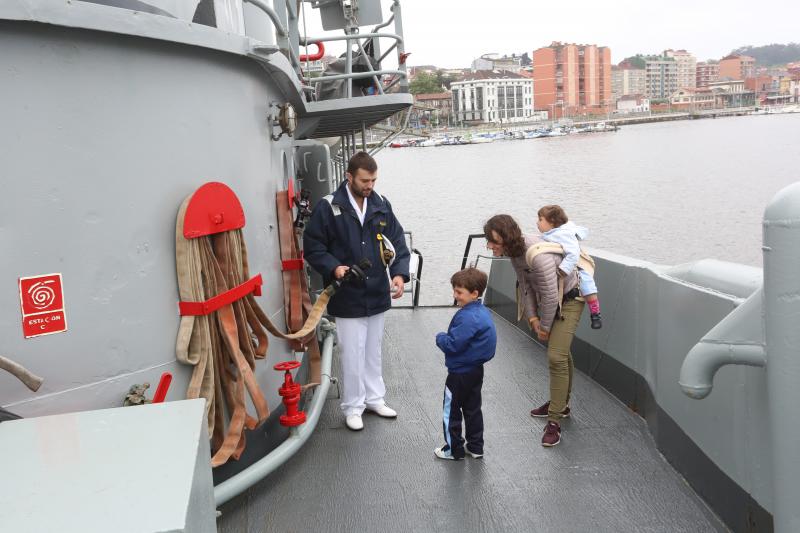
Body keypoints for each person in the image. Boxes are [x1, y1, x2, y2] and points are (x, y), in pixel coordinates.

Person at [304, 151, 410, 431]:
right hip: (347, 292)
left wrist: (399, 273)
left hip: (376, 290)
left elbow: (397, 241)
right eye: (365, 180)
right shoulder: (328, 207)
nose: (370, 185)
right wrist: (334, 268)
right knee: (351, 352)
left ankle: (375, 399)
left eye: (374, 180)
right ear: (349, 176)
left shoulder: (381, 204)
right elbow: (313, 247)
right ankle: (353, 406)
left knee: (373, 350)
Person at [483, 214, 584, 447]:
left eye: (494, 241)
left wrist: (544, 327)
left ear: (507, 239)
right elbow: (525, 284)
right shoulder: (516, 253)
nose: (490, 246)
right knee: (561, 352)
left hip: (570, 300)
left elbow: (549, 295)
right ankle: (562, 404)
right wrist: (532, 316)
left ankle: (554, 421)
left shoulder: (538, 256)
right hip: (552, 300)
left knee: (556, 356)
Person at [434, 268, 497, 460]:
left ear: (474, 293)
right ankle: (476, 447)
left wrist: (440, 338)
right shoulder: (482, 312)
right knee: (472, 409)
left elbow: (453, 345)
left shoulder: (467, 317)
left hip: (459, 373)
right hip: (476, 371)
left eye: (459, 292)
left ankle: (453, 450)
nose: (455, 296)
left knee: (451, 410)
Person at [537, 205, 602, 329]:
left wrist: (563, 270)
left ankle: (595, 313)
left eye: (540, 220)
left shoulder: (563, 234)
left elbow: (573, 254)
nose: (537, 223)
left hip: (576, 266)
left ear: (552, 222)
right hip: (564, 262)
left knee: (587, 285)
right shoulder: (552, 232)